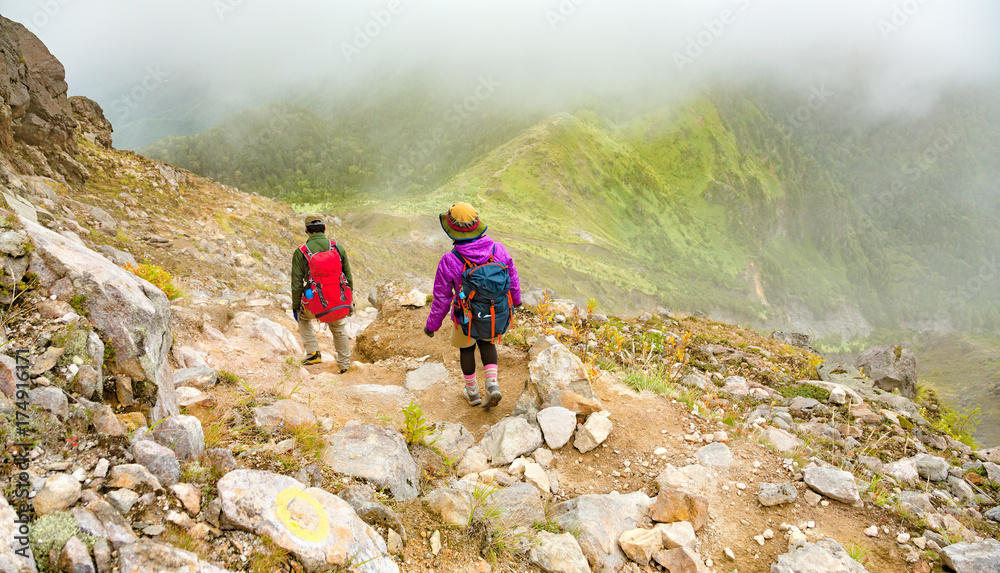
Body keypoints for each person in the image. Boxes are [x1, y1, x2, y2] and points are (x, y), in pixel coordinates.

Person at [424, 203, 521, 408]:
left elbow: (442, 298)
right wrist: (517, 301)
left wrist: (432, 325)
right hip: (494, 313)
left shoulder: (450, 260)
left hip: (464, 316)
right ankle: (492, 384)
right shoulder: (498, 249)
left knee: (466, 350)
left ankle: (473, 392)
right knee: (487, 344)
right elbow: (512, 278)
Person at [291, 216, 353, 372]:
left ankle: (313, 353)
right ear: (324, 228)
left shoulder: (301, 252)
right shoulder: (337, 247)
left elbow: (297, 285)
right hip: (338, 300)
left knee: (304, 319)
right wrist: (349, 300)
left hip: (316, 303)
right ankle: (345, 364)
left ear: (306, 230)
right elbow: (348, 277)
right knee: (339, 328)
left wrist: (296, 307)